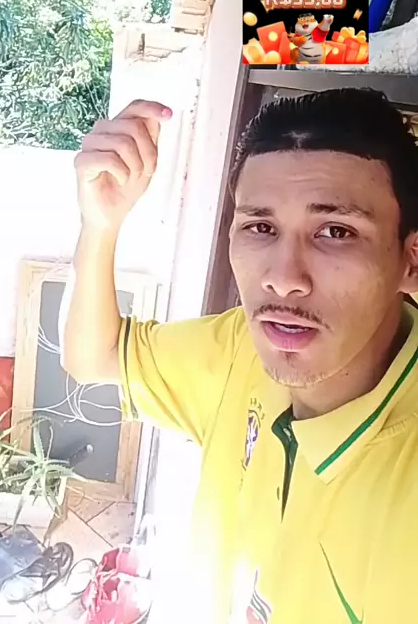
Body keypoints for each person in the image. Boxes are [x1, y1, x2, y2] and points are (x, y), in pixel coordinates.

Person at [61, 88, 418, 624]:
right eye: (260, 227)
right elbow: (96, 357)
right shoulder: (240, 351)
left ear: (410, 261)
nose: (283, 278)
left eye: (336, 231)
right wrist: (100, 224)